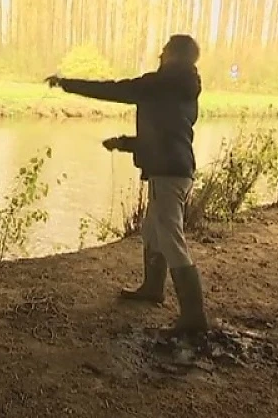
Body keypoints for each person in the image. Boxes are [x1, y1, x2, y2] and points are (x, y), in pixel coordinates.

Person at [45, 34, 208, 334]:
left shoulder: (161, 84)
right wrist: (123, 143)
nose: (159, 54)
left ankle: (194, 317)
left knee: (171, 238)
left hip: (168, 173)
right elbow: (165, 135)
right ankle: (152, 288)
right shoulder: (183, 89)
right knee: (152, 231)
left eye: (164, 50)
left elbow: (115, 90)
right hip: (176, 169)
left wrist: (68, 84)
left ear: (173, 55)